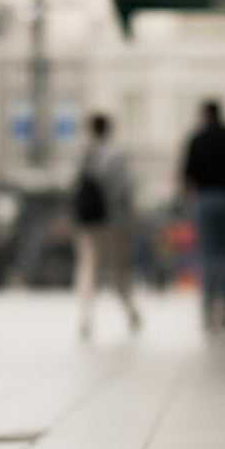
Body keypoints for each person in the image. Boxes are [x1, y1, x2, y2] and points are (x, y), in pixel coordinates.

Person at [181, 100, 225, 335]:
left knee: (209, 253)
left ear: (204, 115)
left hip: (206, 199)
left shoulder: (197, 139)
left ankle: (210, 304)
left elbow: (187, 174)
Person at [73, 113, 140, 340]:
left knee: (88, 267)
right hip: (114, 222)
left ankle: (86, 317)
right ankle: (130, 310)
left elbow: (76, 189)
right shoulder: (116, 155)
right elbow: (124, 190)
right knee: (118, 269)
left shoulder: (86, 155)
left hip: (90, 222)